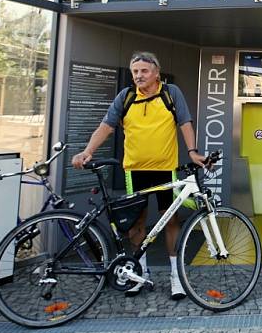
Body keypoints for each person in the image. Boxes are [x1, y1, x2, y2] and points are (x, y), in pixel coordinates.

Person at [71, 52, 204, 299]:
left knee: (170, 221)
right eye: (135, 72)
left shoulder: (170, 93)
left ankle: (176, 276)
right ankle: (140, 274)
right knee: (136, 224)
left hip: (166, 169)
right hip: (135, 170)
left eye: (143, 71)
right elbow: (107, 126)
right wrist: (88, 151)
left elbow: (185, 122)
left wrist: (193, 152)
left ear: (156, 72)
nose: (139, 76)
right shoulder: (126, 96)